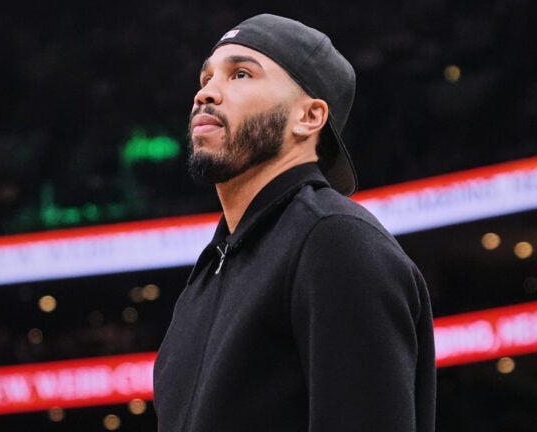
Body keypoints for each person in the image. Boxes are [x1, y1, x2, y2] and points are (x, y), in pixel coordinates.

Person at [153, 14, 436, 431]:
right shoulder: (207, 274)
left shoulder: (335, 242)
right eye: (206, 77)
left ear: (309, 117)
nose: (206, 94)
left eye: (241, 74)